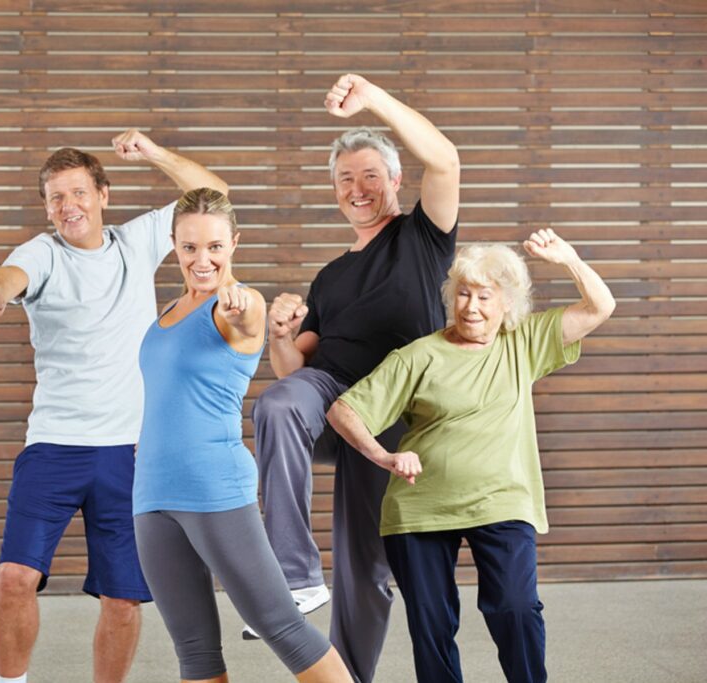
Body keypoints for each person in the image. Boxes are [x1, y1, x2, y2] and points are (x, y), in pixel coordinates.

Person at [0, 130, 228, 683]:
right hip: (54, 446)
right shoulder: (41, 253)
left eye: (79, 193)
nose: (69, 207)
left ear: (103, 194)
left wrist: (155, 154)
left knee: (122, 598)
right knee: (15, 577)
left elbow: (214, 193)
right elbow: (9, 276)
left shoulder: (135, 241)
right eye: (56, 198)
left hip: (130, 451)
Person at [327, 230, 615, 683]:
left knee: (515, 607)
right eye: (462, 294)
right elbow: (344, 411)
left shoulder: (524, 343)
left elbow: (600, 307)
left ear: (507, 305)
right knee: (432, 624)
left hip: (502, 501)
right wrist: (383, 456)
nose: (471, 307)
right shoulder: (419, 356)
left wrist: (570, 259)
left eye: (484, 296)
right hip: (420, 508)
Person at [248, 73, 460, 680]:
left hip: (391, 414)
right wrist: (281, 336)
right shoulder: (331, 276)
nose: (358, 189)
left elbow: (444, 158)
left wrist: (372, 99)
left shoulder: (422, 239)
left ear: (395, 180)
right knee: (279, 402)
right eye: (346, 179)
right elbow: (296, 374)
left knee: (366, 567)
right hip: (328, 394)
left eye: (371, 175)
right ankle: (293, 573)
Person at [132, 187, 352, 683]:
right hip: (151, 494)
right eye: (189, 247)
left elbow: (248, 317)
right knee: (193, 651)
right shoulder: (170, 310)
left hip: (212, 488)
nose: (202, 259)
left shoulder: (239, 302)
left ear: (234, 242)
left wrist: (241, 307)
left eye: (214, 246)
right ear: (174, 246)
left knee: (281, 626)